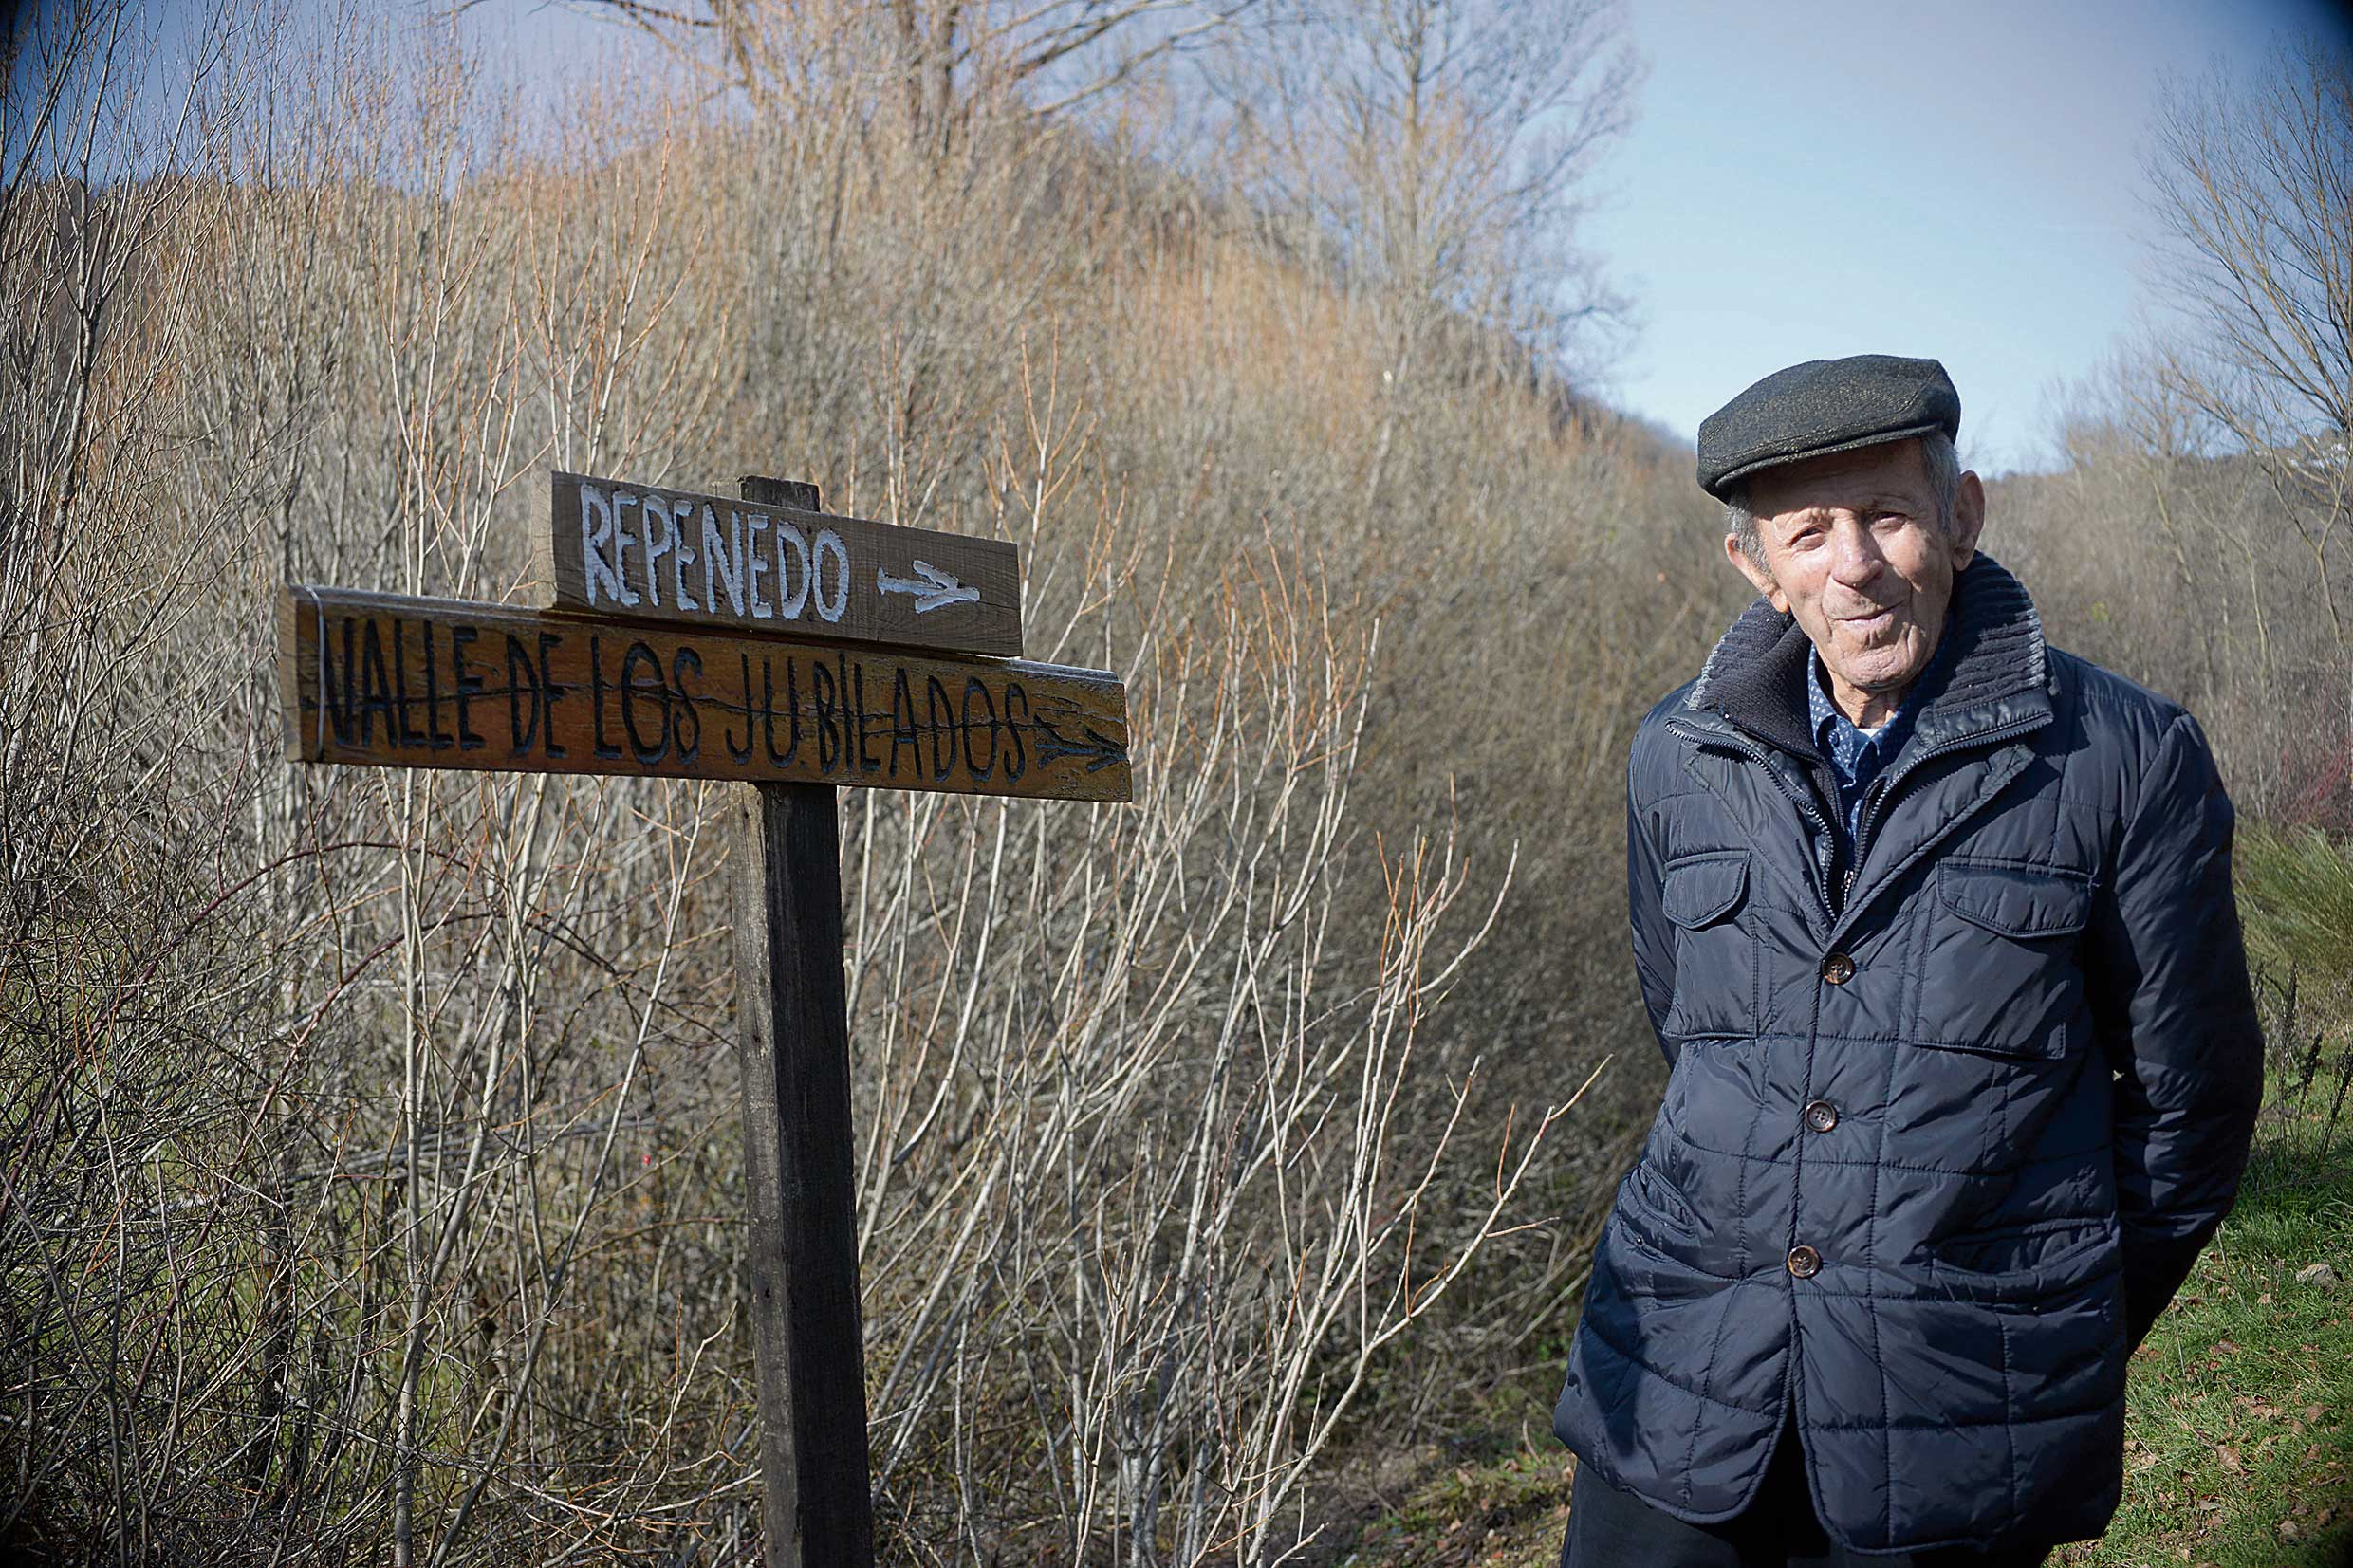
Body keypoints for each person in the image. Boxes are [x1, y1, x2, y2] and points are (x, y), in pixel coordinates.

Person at [1549, 355, 2264, 1567]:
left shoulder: (2121, 757)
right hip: (1677, 1385)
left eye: (1885, 514)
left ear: (1960, 517)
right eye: (1808, 531)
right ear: (1756, 569)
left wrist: (2039, 1314)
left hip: (1952, 1420)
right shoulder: (1675, 754)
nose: (1855, 564)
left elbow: (2190, 1112)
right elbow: (1688, 1031)